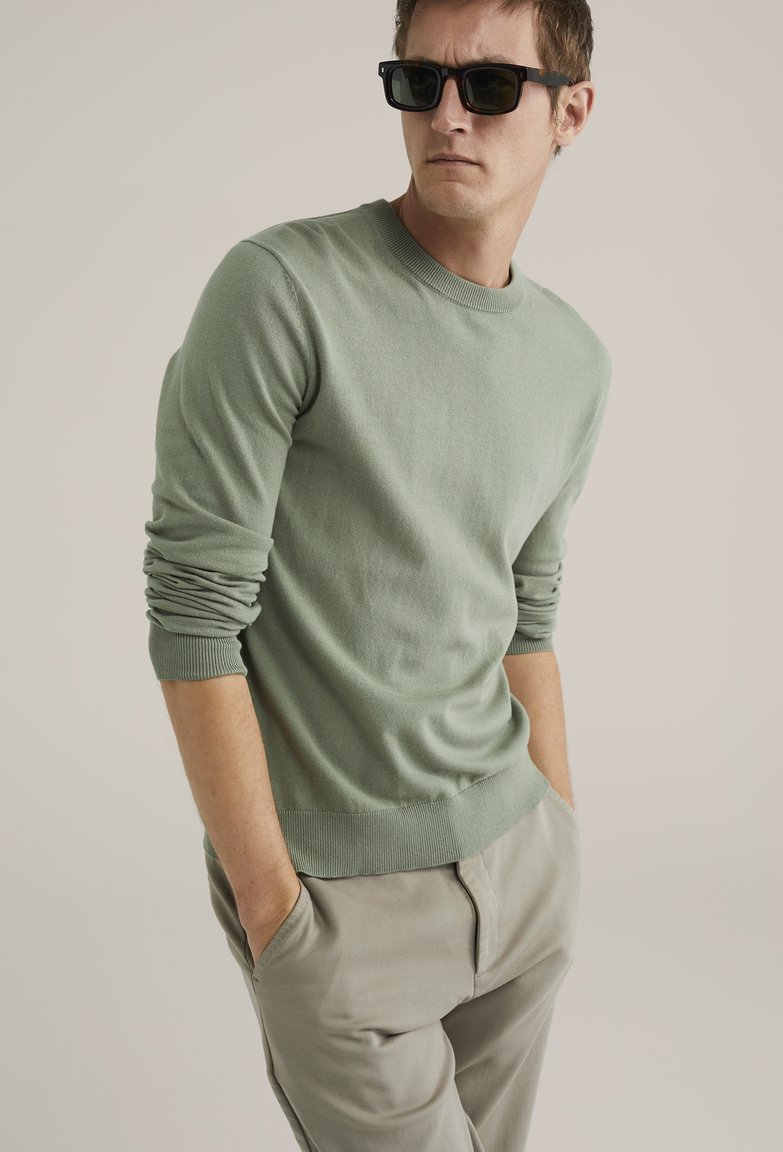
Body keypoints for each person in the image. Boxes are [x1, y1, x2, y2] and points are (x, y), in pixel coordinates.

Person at [142, 1, 607, 1148]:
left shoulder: (571, 359)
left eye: (489, 86)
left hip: (520, 872)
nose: (446, 114)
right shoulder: (280, 290)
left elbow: (527, 618)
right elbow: (194, 613)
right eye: (417, 81)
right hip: (335, 909)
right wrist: (272, 908)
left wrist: (556, 831)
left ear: (569, 112)